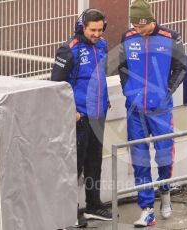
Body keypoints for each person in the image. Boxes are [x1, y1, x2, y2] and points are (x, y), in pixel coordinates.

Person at [118, 0, 186, 227]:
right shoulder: (128, 38)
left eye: (141, 27)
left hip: (160, 109)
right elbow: (122, 66)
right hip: (135, 110)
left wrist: (166, 90)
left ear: (150, 20)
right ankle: (146, 209)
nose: (137, 31)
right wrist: (128, 91)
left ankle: (165, 190)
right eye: (135, 27)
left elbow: (181, 67)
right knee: (140, 160)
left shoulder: (171, 37)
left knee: (164, 156)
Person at [51, 8, 112, 228]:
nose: (97, 34)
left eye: (99, 29)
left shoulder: (102, 45)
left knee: (95, 162)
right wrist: (72, 112)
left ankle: (94, 205)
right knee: (73, 167)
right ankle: (69, 212)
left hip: (98, 115)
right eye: (92, 30)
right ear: (82, 27)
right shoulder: (69, 50)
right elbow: (56, 87)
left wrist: (105, 102)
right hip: (79, 118)